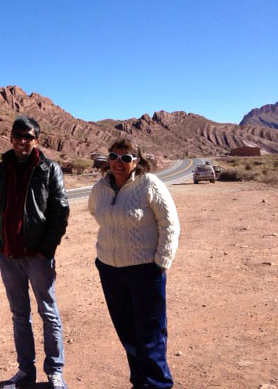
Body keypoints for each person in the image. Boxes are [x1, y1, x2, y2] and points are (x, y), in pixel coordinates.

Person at [0, 115, 70, 389]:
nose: (23, 141)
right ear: (10, 137)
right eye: (18, 136)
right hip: (8, 255)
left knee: (48, 312)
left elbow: (60, 210)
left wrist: (47, 249)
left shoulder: (48, 169)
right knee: (19, 315)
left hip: (37, 256)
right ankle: (25, 370)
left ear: (37, 140)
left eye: (28, 137)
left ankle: (55, 371)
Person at [88, 139, 180, 389]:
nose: (118, 163)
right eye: (114, 157)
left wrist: (161, 261)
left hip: (145, 270)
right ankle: (140, 382)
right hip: (110, 269)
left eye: (126, 158)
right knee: (127, 331)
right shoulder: (100, 188)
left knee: (150, 333)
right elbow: (95, 212)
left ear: (136, 161)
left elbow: (169, 223)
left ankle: (158, 384)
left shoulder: (149, 184)